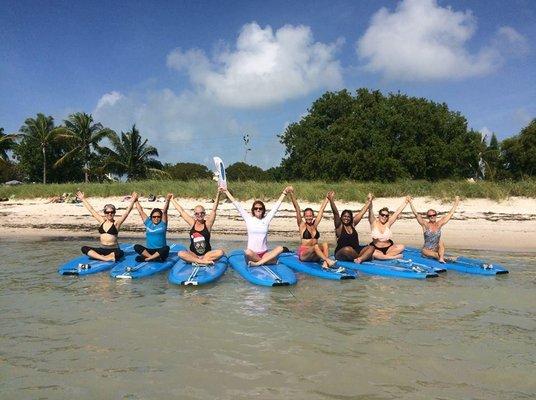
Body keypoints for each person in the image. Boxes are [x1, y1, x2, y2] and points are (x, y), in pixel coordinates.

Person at [223, 186, 292, 266]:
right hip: (252, 255)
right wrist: (226, 192)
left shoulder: (266, 220)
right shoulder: (248, 219)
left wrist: (284, 193)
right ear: (253, 210)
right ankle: (268, 261)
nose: (258, 210)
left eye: (260, 208)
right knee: (247, 252)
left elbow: (275, 208)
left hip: (264, 254)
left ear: (263, 210)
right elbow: (237, 205)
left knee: (280, 248)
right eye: (256, 208)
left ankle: (259, 263)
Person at [77, 191, 137, 261]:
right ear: (104, 213)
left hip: (114, 250)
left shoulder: (116, 223)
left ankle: (102, 257)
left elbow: (126, 212)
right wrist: (83, 199)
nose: (109, 214)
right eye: (107, 212)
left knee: (120, 253)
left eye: (112, 212)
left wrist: (133, 201)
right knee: (84, 248)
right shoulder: (102, 221)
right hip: (102, 249)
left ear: (114, 213)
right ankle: (105, 258)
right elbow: (91, 210)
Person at [171, 189, 224, 265]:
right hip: (194, 255)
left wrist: (218, 194)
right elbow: (181, 211)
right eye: (197, 213)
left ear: (204, 213)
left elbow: (214, 210)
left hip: (206, 255)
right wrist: (172, 199)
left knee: (221, 252)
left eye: (202, 213)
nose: (199, 215)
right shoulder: (192, 223)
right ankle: (202, 262)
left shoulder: (208, 224)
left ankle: (198, 261)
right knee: (180, 253)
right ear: (195, 215)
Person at [288, 188, 336, 269]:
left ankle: (325, 263)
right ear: (304, 216)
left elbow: (321, 210)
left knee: (325, 244)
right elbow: (297, 209)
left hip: (315, 254)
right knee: (316, 246)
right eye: (307, 216)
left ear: (313, 216)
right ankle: (328, 260)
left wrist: (327, 198)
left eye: (310, 216)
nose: (309, 218)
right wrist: (292, 195)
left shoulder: (315, 224)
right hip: (304, 255)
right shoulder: (302, 225)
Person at [408, 196, 460, 263]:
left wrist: (456, 202)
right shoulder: (425, 225)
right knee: (433, 254)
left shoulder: (439, 224)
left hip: (436, 249)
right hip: (426, 251)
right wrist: (410, 202)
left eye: (433, 215)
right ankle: (446, 258)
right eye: (430, 216)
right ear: (428, 217)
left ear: (436, 215)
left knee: (441, 242)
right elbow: (416, 214)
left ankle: (441, 258)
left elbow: (450, 214)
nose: (432, 217)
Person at [328, 191, 375, 263]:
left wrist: (369, 200)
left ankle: (360, 259)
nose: (346, 218)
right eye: (344, 216)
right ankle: (363, 257)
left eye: (348, 217)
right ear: (341, 217)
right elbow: (335, 213)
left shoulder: (352, 224)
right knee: (347, 249)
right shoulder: (339, 226)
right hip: (341, 252)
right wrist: (331, 200)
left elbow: (362, 212)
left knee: (371, 247)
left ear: (351, 218)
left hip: (356, 251)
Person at [133, 193, 172, 262]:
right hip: (149, 251)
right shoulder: (148, 222)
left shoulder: (163, 224)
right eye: (154, 217)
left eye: (158, 217)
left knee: (166, 248)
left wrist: (168, 200)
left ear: (161, 217)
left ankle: (149, 258)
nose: (156, 218)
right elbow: (140, 211)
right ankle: (152, 258)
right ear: (151, 217)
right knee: (136, 246)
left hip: (160, 251)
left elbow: (165, 211)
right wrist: (136, 200)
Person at [368, 195, 410, 260]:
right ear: (379, 215)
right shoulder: (373, 222)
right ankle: (393, 257)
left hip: (389, 248)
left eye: (386, 215)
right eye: (382, 215)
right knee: (372, 252)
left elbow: (397, 213)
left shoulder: (388, 223)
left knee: (402, 246)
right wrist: (370, 200)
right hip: (376, 248)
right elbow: (370, 210)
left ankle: (384, 257)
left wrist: (406, 202)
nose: (384, 217)